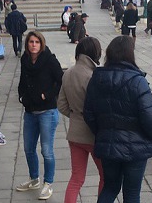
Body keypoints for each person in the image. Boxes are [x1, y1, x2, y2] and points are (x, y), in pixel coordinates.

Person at [84, 36, 152, 202]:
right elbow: (150, 116)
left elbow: (88, 112)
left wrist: (102, 132)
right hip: (136, 146)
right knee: (132, 193)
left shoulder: (97, 79)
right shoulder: (138, 81)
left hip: (108, 143)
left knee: (110, 187)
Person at [16, 31, 63, 200]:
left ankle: (48, 183)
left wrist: (47, 95)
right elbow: (22, 80)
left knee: (46, 150)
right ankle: (34, 178)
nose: (33, 44)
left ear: (41, 44)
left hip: (47, 112)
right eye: (30, 42)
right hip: (30, 111)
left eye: (36, 42)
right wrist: (21, 95)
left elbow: (61, 79)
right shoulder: (25, 60)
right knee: (28, 148)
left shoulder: (49, 60)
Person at [58, 37, 104, 203]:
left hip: (74, 133)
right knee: (105, 176)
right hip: (93, 134)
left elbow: (61, 105)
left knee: (76, 178)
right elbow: (100, 108)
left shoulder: (68, 73)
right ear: (94, 53)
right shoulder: (93, 75)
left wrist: (76, 116)